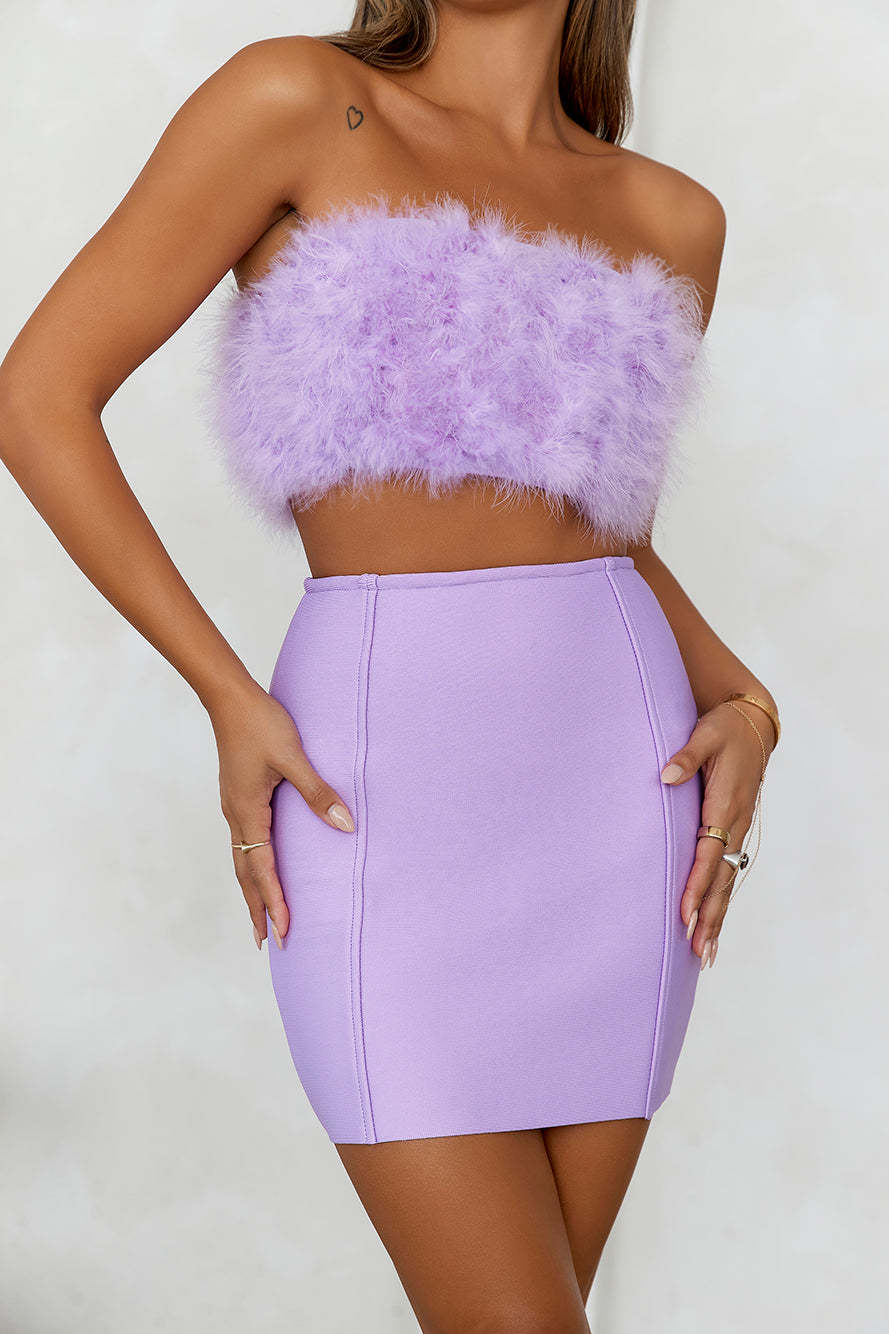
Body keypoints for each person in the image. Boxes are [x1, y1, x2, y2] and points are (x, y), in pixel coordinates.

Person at [0, 4, 779, 1329]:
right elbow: (38, 396)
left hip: (618, 809)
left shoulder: (670, 217)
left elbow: (605, 536)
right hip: (374, 792)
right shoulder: (296, 102)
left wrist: (746, 703)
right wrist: (227, 694)